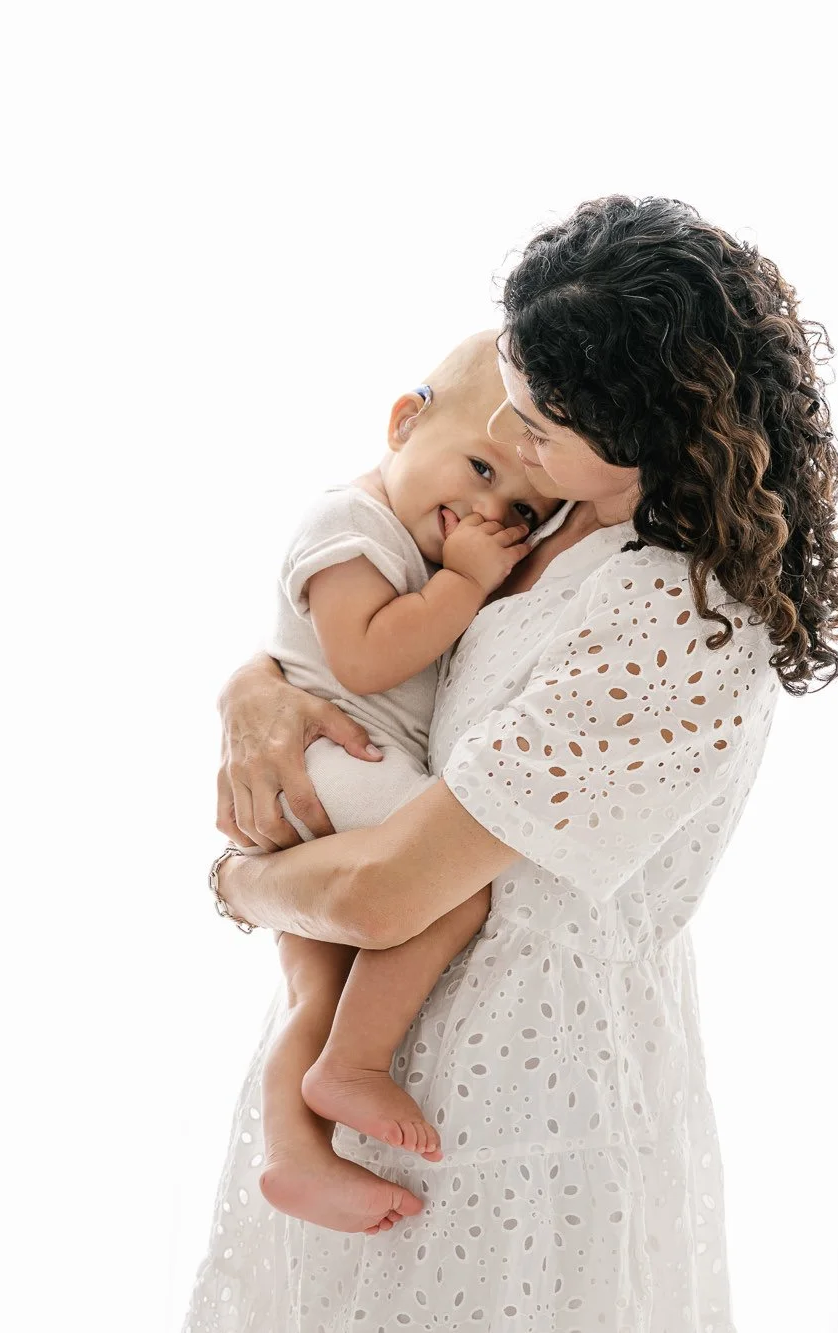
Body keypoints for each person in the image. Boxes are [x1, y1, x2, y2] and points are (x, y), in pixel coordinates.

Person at [184, 195, 838, 1333]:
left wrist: (232, 881)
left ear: (642, 431)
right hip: (376, 1033)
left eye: (540, 424)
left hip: (516, 1090)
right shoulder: (547, 518)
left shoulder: (681, 619)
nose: (514, 441)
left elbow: (387, 886)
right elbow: (365, 641)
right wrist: (251, 684)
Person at [238, 331, 565, 1237]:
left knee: (319, 983)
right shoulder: (350, 524)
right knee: (450, 894)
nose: (489, 505)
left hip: (332, 779)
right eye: (481, 467)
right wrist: (464, 584)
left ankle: (295, 1154)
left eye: (523, 507)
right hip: (335, 765)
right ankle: (354, 1065)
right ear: (402, 422)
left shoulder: (414, 543)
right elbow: (364, 656)